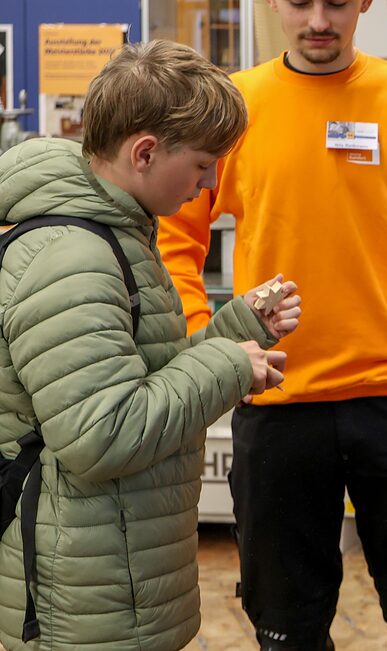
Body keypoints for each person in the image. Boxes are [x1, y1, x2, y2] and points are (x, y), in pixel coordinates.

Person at [157, 1, 387, 648]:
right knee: (286, 627)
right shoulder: (236, 108)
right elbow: (174, 232)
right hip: (276, 401)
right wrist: (209, 339)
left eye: (337, 2)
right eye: (299, 2)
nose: (318, 19)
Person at [0, 41, 295, 650]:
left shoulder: (115, 232)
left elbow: (145, 375)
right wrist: (226, 365)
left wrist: (239, 329)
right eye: (204, 164)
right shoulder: (73, 258)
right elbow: (101, 434)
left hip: (112, 575)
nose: (211, 183)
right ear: (144, 152)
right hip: (84, 600)